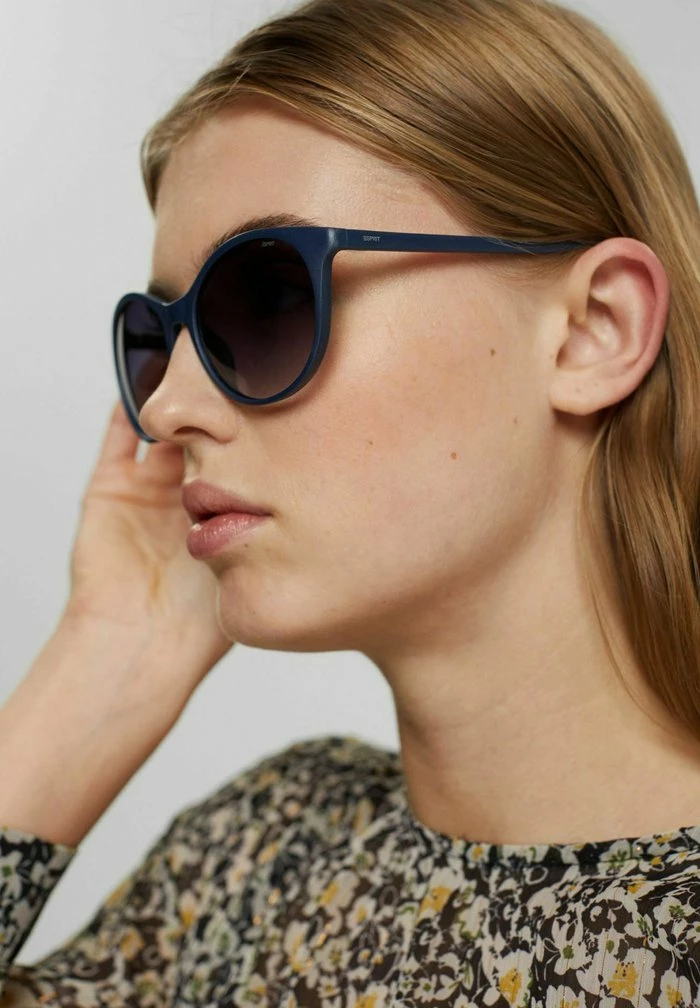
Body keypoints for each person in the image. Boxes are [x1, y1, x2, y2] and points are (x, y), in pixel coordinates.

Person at [1, 0, 699, 1003]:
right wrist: (108, 653)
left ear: (595, 329)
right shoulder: (265, 857)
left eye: (267, 298)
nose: (166, 405)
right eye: (161, 337)